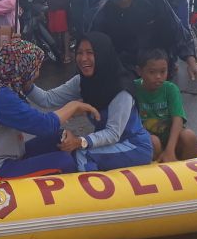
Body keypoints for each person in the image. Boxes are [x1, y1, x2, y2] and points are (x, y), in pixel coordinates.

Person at [0, 40, 99, 182]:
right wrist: (73, 106)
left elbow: (45, 105)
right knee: (64, 162)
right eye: (35, 68)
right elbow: (44, 125)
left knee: (60, 137)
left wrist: (27, 84)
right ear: (22, 68)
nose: (37, 73)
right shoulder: (2, 97)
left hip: (9, 155)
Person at [29, 33, 152, 172]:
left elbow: (113, 133)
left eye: (90, 53)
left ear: (103, 55)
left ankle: (85, 192)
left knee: (82, 154)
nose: (83, 59)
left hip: (132, 146)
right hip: (105, 145)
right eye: (79, 53)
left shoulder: (121, 89)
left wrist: (80, 141)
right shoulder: (82, 81)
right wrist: (25, 83)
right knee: (61, 142)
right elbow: (48, 99)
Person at [89, 0, 197, 84]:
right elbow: (95, 45)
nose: (124, 0)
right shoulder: (103, 14)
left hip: (159, 60)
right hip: (129, 68)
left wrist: (191, 60)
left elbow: (175, 27)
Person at [134, 48, 197, 161]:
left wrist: (170, 150)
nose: (158, 76)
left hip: (171, 139)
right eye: (152, 72)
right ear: (139, 71)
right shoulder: (133, 88)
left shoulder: (170, 89)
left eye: (163, 71)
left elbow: (178, 119)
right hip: (148, 141)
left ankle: (188, 172)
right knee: (154, 141)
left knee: (189, 136)